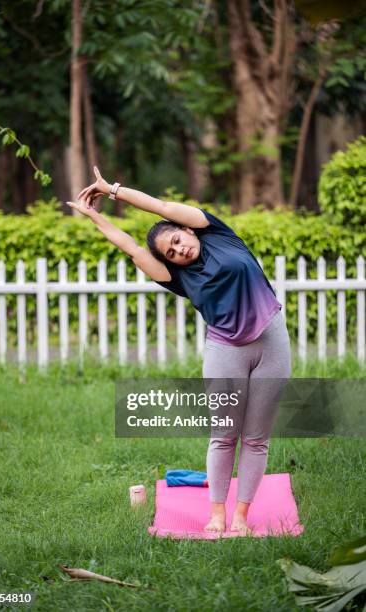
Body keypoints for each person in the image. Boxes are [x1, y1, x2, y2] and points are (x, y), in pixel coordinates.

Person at [67, 166, 292, 536]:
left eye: (177, 239)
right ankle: (218, 513)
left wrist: (112, 190)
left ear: (186, 229)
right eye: (171, 252)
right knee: (224, 435)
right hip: (225, 350)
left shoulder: (216, 233)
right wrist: (94, 218)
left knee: (256, 437)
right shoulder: (180, 277)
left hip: (272, 340)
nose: (179, 249)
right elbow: (132, 248)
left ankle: (241, 515)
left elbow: (161, 206)